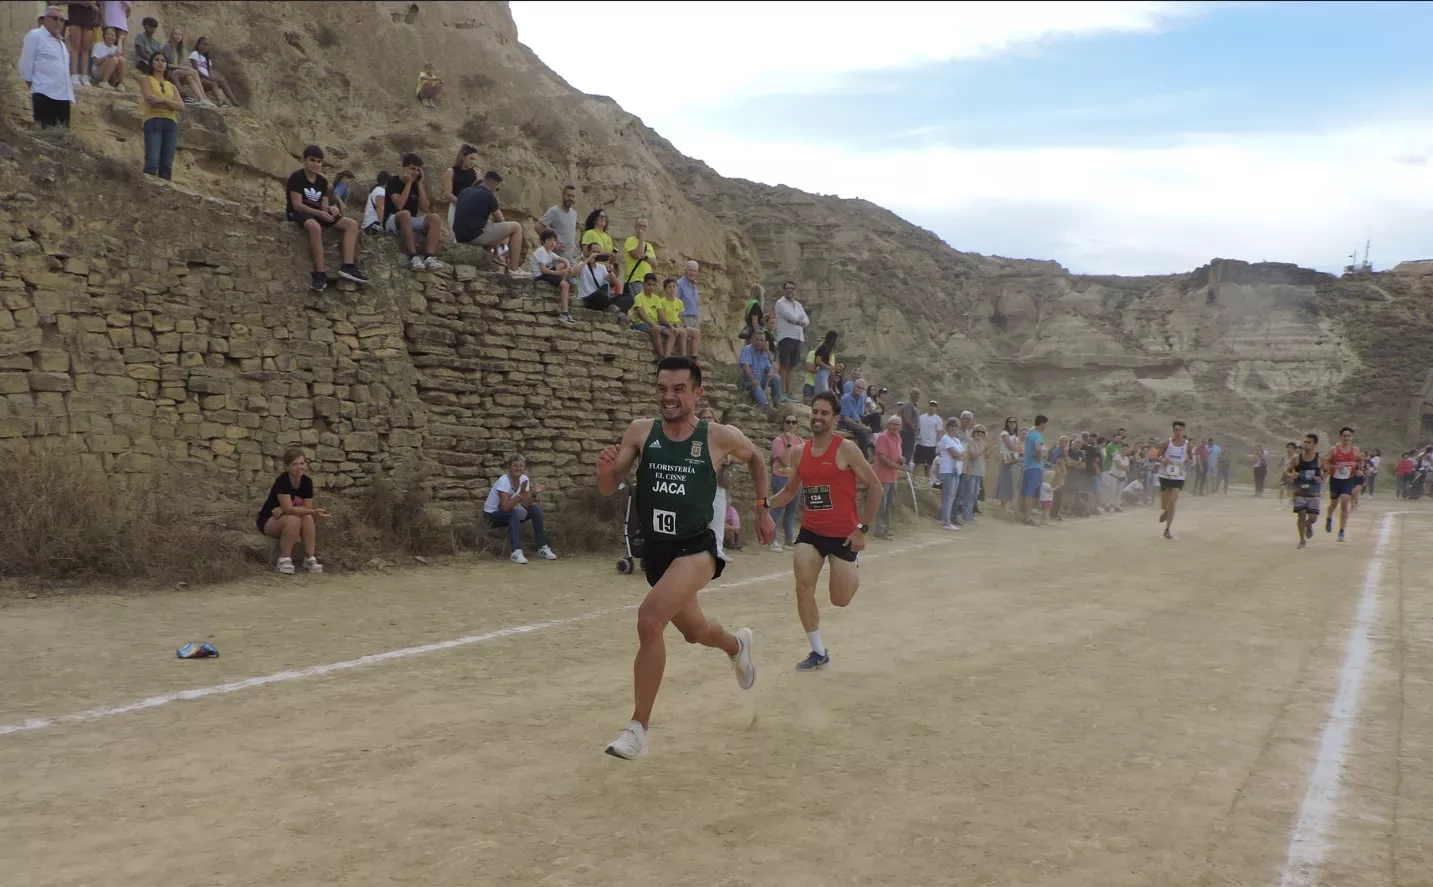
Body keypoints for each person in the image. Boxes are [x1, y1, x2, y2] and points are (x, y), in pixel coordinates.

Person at [595, 356, 773, 760]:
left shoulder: (719, 437)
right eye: (662, 389)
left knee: (649, 619)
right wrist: (604, 470)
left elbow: (757, 458)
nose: (669, 397)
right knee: (695, 632)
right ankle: (736, 646)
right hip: (657, 552)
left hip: (697, 548)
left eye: (678, 389)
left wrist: (762, 508)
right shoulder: (641, 431)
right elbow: (608, 487)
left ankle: (637, 729)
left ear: (697, 393)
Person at [764, 392, 882, 672]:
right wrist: (764, 504)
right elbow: (790, 491)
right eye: (815, 412)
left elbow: (876, 487)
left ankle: (853, 564)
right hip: (811, 532)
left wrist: (862, 530)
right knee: (803, 588)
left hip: (843, 535)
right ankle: (818, 652)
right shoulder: (799, 452)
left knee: (839, 600)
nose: (817, 417)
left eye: (824, 413)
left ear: (835, 418)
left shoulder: (847, 449)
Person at [285, 145, 368, 292]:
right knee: (315, 227)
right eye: (312, 160)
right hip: (299, 213)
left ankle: (348, 266)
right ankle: (320, 274)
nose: (315, 164)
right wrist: (318, 213)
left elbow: (323, 206)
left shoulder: (322, 181)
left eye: (319, 161)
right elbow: (297, 205)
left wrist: (331, 209)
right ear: (304, 160)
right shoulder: (297, 177)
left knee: (351, 224)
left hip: (317, 212)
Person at [257, 448, 327, 575]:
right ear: (287, 467)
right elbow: (290, 509)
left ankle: (310, 558)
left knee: (307, 517)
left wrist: (285, 509)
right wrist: (289, 509)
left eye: (302, 463)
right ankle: (284, 559)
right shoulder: (282, 481)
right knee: (294, 519)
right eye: (294, 464)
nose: (299, 467)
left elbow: (306, 508)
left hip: (287, 518)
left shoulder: (307, 482)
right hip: (270, 520)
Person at [483, 454, 558, 564]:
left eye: (521, 466)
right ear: (509, 467)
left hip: (510, 512)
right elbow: (505, 507)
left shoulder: (524, 479)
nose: (518, 468)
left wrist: (534, 493)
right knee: (514, 513)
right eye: (515, 466)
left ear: (524, 467)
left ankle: (542, 547)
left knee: (535, 509)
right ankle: (516, 551)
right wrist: (520, 495)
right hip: (492, 515)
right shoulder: (504, 481)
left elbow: (525, 504)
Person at [383, 153, 446, 273]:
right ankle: (413, 256)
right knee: (405, 213)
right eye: (412, 169)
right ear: (404, 168)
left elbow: (425, 207)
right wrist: (408, 183)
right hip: (392, 219)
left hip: (410, 219)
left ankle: (429, 257)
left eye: (418, 170)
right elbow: (399, 205)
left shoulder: (416, 184)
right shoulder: (393, 182)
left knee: (435, 218)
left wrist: (419, 183)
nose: (415, 172)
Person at [452, 170, 523, 273]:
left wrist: (496, 251)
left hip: (459, 236)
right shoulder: (488, 195)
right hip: (474, 236)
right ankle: (515, 269)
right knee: (516, 227)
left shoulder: (464, 191)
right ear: (493, 184)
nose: (495, 190)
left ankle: (489, 257)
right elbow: (501, 221)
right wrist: (501, 246)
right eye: (497, 188)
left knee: (489, 228)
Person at [19, 8, 76, 129]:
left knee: (62, 134)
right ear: (45, 19)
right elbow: (26, 63)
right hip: (44, 94)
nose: (58, 22)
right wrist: (35, 88)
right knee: (46, 133)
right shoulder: (35, 35)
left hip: (63, 96)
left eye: (62, 20)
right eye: (55, 18)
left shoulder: (61, 43)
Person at [138, 53, 182, 180]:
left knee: (167, 164)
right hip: (153, 120)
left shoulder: (171, 86)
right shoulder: (146, 79)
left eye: (163, 60)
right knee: (152, 161)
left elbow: (181, 106)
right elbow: (150, 100)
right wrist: (171, 104)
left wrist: (163, 100)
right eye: (156, 60)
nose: (160, 63)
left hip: (170, 123)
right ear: (151, 63)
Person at [768, 414, 802, 552]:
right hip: (781, 478)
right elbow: (786, 461)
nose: (791, 425)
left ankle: (789, 540)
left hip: (795, 479)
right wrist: (788, 443)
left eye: (794, 422)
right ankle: (772, 539)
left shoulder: (799, 440)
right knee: (777, 509)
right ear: (783, 423)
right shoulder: (778, 441)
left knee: (791, 511)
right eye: (788, 422)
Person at [1323, 426, 1360, 542]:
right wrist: (1336, 467)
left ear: (1351, 437)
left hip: (1348, 480)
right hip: (1335, 480)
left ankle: (1341, 531)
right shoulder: (1334, 450)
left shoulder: (1355, 450)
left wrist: (1359, 468)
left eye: (1349, 436)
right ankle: (1329, 517)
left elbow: (1360, 461)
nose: (1346, 438)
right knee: (1333, 504)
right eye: (1344, 436)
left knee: (1344, 502)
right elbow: (1325, 463)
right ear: (1340, 437)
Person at [1287, 433, 1323, 550]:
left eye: (1309, 442)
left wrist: (1321, 478)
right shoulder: (1296, 459)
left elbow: (1327, 471)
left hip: (1313, 492)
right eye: (1305, 442)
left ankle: (1309, 524)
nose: (1306, 444)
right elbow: (1287, 472)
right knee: (1301, 515)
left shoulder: (1319, 459)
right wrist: (1291, 475)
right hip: (1299, 492)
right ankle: (1302, 539)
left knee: (1313, 518)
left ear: (1314, 444)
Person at [531, 229, 575, 324]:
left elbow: (565, 260)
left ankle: (560, 286)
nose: (553, 242)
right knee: (566, 285)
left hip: (545, 273)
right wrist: (559, 273)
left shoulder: (549, 252)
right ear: (543, 241)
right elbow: (543, 270)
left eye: (554, 240)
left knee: (563, 265)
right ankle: (564, 313)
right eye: (549, 240)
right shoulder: (542, 251)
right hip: (539, 275)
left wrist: (568, 267)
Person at [1156, 420, 1190, 540]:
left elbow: (1191, 460)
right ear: (1173, 430)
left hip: (1179, 477)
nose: (1178, 432)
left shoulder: (1187, 445)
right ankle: (1166, 511)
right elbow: (1157, 456)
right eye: (1176, 430)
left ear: (1183, 430)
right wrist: (1163, 461)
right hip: (1165, 476)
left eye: (1180, 430)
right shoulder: (1167, 443)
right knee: (1164, 504)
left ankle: (1167, 529)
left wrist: (1188, 460)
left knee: (1172, 501)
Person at [872, 414, 903, 539]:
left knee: (890, 504)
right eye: (892, 424)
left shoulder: (898, 437)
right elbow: (882, 458)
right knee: (882, 505)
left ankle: (886, 528)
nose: (895, 427)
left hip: (893, 476)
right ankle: (879, 530)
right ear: (887, 425)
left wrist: (901, 459)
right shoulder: (883, 437)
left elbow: (897, 455)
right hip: (883, 476)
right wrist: (898, 466)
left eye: (897, 424)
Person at [188, 36, 237, 106]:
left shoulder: (207, 60)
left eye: (207, 45)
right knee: (213, 84)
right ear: (198, 45)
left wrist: (213, 78)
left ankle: (234, 101)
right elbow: (196, 71)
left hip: (206, 79)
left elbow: (210, 73)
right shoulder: (194, 54)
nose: (205, 47)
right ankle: (220, 100)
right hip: (198, 79)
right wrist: (209, 79)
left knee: (222, 81)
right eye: (203, 44)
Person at [937, 417, 966, 530]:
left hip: (956, 470)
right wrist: (960, 456)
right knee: (948, 496)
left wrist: (961, 456)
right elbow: (956, 455)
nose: (954, 428)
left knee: (950, 496)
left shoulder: (956, 440)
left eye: (956, 426)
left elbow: (964, 454)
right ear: (948, 427)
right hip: (948, 470)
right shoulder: (946, 439)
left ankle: (944, 518)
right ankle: (946, 522)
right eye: (952, 425)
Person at [1019, 415, 1047, 526]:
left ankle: (1023, 514)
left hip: (1027, 466)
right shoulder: (1037, 435)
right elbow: (1038, 448)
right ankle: (1028, 517)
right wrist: (1039, 458)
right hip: (1035, 467)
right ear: (1042, 423)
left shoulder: (1030, 434)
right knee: (1030, 493)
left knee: (1025, 492)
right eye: (1045, 424)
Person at [443, 144, 478, 232]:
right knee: (456, 234)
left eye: (474, 159)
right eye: (471, 158)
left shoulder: (475, 173)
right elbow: (448, 193)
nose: (473, 162)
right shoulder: (451, 171)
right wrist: (461, 204)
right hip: (455, 207)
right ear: (462, 156)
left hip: (471, 209)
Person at [361, 171, 390, 235]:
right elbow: (379, 208)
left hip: (368, 224)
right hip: (373, 224)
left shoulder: (375, 190)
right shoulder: (381, 191)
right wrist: (381, 225)